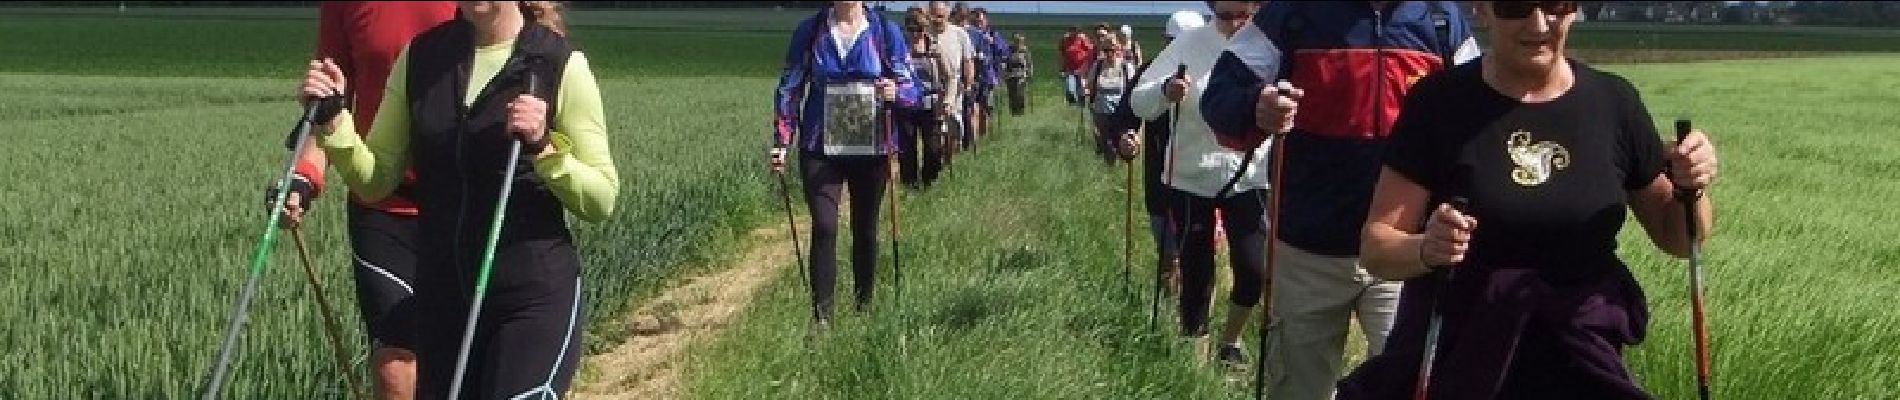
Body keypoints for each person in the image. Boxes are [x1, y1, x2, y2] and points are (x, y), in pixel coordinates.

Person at [1338, 2, 1719, 398]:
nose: (1538, 23)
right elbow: (1377, 247)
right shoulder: (1438, 104)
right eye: (1514, 6)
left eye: (1555, 5)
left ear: (1573, 11)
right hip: (1461, 356)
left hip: (1578, 359)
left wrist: (1692, 188)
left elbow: (1678, 238)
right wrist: (1426, 248)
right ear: (1483, 11)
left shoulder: (1614, 102)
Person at [299, 2, 619, 398]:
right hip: (446, 302)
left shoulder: (558, 64)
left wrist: (544, 148)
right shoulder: (420, 59)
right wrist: (334, 122)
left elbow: (601, 198)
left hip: (529, 299)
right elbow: (376, 179)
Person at [1200, 2, 1479, 399]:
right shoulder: (1290, 13)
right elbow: (1219, 95)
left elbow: (1479, 111)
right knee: (1299, 391)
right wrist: (1256, 106)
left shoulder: (1440, 18)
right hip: (1307, 254)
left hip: (1404, 253)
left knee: (1411, 387)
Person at [270, 2, 456, 399]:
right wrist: (304, 178)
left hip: (464, 206)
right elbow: (329, 105)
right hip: (381, 205)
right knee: (394, 358)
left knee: (461, 356)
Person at [1129, 1, 1263, 367]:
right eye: (1225, 16)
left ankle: (1230, 341)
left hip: (1249, 176)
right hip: (1191, 176)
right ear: (1211, 10)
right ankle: (1195, 363)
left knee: (1255, 271)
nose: (1235, 24)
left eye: (1244, 16)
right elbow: (1140, 102)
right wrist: (1165, 91)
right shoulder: (1187, 45)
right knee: (1196, 270)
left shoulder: (1268, 44)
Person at [771, 1, 920, 325]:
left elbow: (912, 89)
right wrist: (782, 140)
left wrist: (897, 90)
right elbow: (790, 86)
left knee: (864, 229)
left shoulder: (884, 32)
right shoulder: (810, 32)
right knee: (824, 226)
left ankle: (863, 309)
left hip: (871, 146)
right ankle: (822, 320)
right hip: (819, 143)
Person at [898, 7, 950, 188]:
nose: (914, 33)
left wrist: (948, 99)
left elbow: (948, 75)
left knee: (933, 147)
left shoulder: (933, 46)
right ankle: (909, 183)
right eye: (910, 29)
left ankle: (930, 180)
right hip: (906, 104)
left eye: (918, 29)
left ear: (924, 28)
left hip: (931, 103)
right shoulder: (900, 47)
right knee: (907, 148)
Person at [922, 0, 975, 171]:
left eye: (941, 16)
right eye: (934, 15)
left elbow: (968, 61)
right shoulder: (924, 33)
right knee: (935, 131)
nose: (937, 19)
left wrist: (968, 84)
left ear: (948, 13)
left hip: (955, 88)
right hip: (930, 88)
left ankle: (948, 159)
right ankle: (935, 164)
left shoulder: (959, 34)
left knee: (951, 129)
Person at [1086, 35, 1137, 165]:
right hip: (1101, 111)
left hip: (1121, 112)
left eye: (1112, 50)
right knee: (1106, 141)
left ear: (1119, 49)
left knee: (1120, 139)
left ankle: (1121, 163)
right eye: (1106, 51)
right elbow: (1090, 85)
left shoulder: (1127, 67)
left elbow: (1133, 88)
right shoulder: (1097, 66)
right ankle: (1110, 166)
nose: (1109, 54)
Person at [1059, 26, 1094, 105]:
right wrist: (1062, 69)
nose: (1073, 33)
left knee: (1081, 87)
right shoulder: (1065, 40)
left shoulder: (1082, 38)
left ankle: (1082, 103)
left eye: (1075, 31)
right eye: (1071, 31)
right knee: (1070, 87)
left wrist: (1087, 65)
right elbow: (1062, 54)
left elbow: (1090, 50)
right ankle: (1072, 102)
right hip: (1070, 68)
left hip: (1082, 67)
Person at [1002, 33, 1032, 116]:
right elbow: (1004, 61)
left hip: (1021, 75)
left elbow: (1029, 62)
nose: (1018, 43)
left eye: (1019, 41)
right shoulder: (1008, 49)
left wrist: (1030, 72)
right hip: (1010, 75)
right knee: (1012, 94)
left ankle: (1021, 110)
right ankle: (1013, 111)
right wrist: (1004, 71)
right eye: (1016, 41)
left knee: (1020, 93)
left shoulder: (1024, 50)